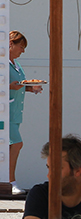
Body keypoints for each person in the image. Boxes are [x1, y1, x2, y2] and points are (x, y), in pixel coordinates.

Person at [8, 30, 44, 195]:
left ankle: (8, 181)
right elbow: (8, 85)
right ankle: (10, 182)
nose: (23, 51)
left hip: (15, 113)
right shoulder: (3, 64)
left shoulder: (16, 64)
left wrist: (30, 88)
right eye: (21, 46)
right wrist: (10, 86)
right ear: (11, 44)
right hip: (5, 113)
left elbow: (18, 85)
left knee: (11, 145)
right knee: (16, 144)